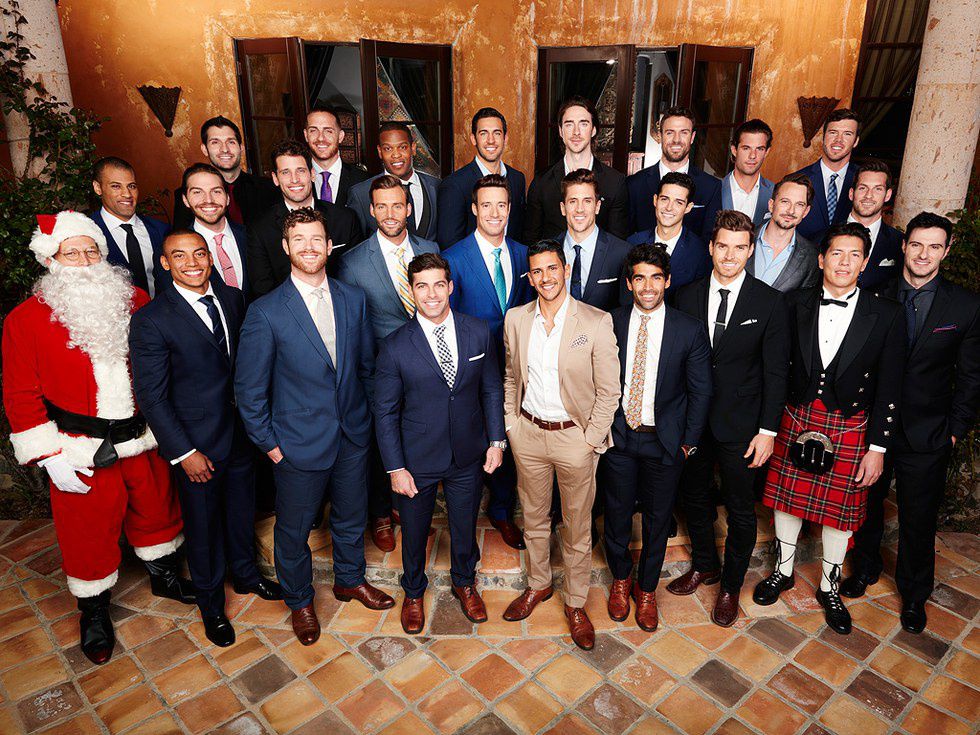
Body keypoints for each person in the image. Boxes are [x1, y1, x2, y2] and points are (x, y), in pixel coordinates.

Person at [3, 212, 192, 666]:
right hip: (79, 446)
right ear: (51, 260)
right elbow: (20, 392)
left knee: (157, 507)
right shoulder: (25, 320)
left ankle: (164, 574)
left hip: (141, 435)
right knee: (86, 531)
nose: (85, 261)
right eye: (72, 253)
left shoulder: (135, 300)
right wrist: (49, 455)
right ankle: (93, 609)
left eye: (92, 251)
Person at [235, 208, 394, 646]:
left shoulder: (353, 298)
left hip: (352, 435)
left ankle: (350, 580)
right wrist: (270, 445)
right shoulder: (266, 312)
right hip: (296, 444)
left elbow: (365, 368)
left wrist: (366, 423)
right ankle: (300, 601)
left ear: (329, 246)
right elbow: (249, 390)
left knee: (350, 516)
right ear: (286, 247)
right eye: (299, 240)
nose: (309, 247)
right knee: (294, 531)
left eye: (316, 239)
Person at [130, 230, 283, 648]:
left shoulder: (233, 299)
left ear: (211, 258)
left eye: (199, 253)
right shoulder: (152, 319)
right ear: (165, 264)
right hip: (196, 445)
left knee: (242, 513)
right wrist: (183, 452)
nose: (192, 263)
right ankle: (212, 605)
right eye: (179, 256)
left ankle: (247, 577)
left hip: (240, 435)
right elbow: (151, 396)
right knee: (203, 528)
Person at [754, 222, 905, 635]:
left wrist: (878, 448)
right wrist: (768, 427)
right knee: (787, 503)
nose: (844, 262)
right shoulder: (793, 303)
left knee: (840, 515)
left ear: (865, 263)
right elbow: (776, 369)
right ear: (821, 259)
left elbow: (890, 385)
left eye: (854, 255)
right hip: (798, 416)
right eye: (837, 253)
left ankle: (829, 586)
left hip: (849, 424)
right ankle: (783, 571)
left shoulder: (887, 314)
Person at [842, 212, 980, 634]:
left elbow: (971, 376)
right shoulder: (875, 294)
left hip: (929, 432)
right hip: (872, 429)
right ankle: (864, 568)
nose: (924, 254)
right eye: (917, 244)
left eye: (934, 246)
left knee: (918, 519)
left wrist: (954, 430)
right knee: (866, 506)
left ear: (946, 251)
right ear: (904, 246)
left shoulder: (965, 305)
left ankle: (915, 594)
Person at [374, 252, 506, 633]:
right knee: (414, 533)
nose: (431, 294)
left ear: (450, 287)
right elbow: (385, 412)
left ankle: (465, 583)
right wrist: (395, 468)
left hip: (468, 452)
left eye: (438, 285)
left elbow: (491, 388)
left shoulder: (477, 331)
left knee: (464, 526)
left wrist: (496, 440)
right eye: (422, 286)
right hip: (416, 460)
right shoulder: (395, 346)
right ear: (411, 291)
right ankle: (414, 592)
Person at [671, 211, 789, 627]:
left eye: (739, 248)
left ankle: (730, 587)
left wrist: (768, 431)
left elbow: (777, 373)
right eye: (722, 246)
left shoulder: (769, 302)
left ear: (750, 250)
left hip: (742, 426)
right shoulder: (685, 295)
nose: (729, 255)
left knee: (740, 509)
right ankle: (705, 565)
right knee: (694, 498)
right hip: (693, 421)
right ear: (711, 247)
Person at [500, 240, 620, 650]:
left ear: (565, 270)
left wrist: (589, 440)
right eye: (537, 271)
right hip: (529, 434)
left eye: (552, 268)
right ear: (530, 277)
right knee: (533, 518)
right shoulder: (516, 319)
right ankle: (539, 584)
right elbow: (511, 377)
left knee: (576, 525)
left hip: (575, 438)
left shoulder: (595, 321)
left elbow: (609, 391)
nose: (545, 277)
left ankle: (576, 602)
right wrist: (512, 425)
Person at [602, 244, 712, 632]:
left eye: (655, 278)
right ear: (629, 283)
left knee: (657, 519)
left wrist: (688, 443)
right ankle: (620, 579)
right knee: (616, 514)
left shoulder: (688, 328)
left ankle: (646, 589)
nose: (647, 286)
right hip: (619, 437)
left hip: (665, 443)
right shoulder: (610, 322)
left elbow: (701, 391)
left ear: (667, 281)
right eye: (640, 278)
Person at [337, 175, 441, 552]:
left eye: (397, 205)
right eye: (381, 206)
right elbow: (353, 327)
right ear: (371, 210)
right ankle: (381, 513)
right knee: (382, 441)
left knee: (417, 438)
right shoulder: (352, 262)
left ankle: (406, 509)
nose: (390, 213)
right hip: (380, 370)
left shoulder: (430, 248)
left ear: (409, 208)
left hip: (427, 368)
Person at [443, 174, 534, 549]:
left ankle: (501, 510)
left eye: (501, 205)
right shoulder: (453, 257)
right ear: (474, 209)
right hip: (472, 369)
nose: (494, 213)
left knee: (508, 434)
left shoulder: (523, 254)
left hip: (516, 368)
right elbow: (447, 318)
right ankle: (466, 512)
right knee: (473, 437)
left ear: (509, 209)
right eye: (486, 205)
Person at [247, 139, 362, 297]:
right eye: (285, 172)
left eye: (300, 170)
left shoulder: (345, 219)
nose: (294, 179)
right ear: (275, 178)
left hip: (340, 305)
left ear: (312, 174)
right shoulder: (260, 229)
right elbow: (263, 290)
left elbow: (356, 276)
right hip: (287, 310)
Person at [525, 96, 629, 242]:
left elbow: (618, 244)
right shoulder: (541, 183)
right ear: (560, 131)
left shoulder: (615, 183)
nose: (576, 132)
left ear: (593, 130)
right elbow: (531, 242)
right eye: (569, 124)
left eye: (583, 124)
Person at [626, 106, 721, 240]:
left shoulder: (711, 187)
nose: (676, 139)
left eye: (684, 132)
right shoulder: (634, 184)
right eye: (670, 132)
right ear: (660, 136)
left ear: (692, 137)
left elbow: (709, 240)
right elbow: (625, 237)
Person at [437, 108, 527, 247]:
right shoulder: (454, 185)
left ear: (505, 138)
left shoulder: (517, 179)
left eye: (497, 133)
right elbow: (450, 244)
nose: (491, 140)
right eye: (483, 133)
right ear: (474, 139)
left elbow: (518, 233)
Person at [172, 115, 277, 229]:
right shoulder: (189, 196)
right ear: (204, 149)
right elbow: (182, 236)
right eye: (215, 142)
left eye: (231, 142)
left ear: (241, 148)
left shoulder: (269, 188)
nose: (225, 149)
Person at [89, 157, 170, 298]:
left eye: (131, 186)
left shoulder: (161, 230)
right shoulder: (86, 232)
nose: (127, 194)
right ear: (98, 188)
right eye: (116, 186)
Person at [346, 122, 440, 241]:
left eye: (402, 147)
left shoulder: (436, 186)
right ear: (380, 152)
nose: (396, 155)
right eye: (388, 149)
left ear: (413, 148)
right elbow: (358, 245)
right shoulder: (360, 194)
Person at [558, 168, 631, 311]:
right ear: (563, 208)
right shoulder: (549, 251)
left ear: (597, 207)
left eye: (587, 201)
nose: (580, 209)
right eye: (573, 201)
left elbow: (625, 311)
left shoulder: (622, 253)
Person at [627, 172, 709, 289]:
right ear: (655, 200)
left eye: (678, 202)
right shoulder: (633, 243)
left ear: (688, 207)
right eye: (664, 199)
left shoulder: (700, 252)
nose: (669, 208)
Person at [791, 108, 861, 244]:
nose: (838, 140)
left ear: (856, 141)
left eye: (847, 134)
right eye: (833, 132)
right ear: (823, 137)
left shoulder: (862, 181)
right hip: (803, 255)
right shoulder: (796, 179)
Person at [181, 163, 251, 297]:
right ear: (185, 200)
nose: (208, 200)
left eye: (216, 191)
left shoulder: (252, 236)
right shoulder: (173, 251)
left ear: (228, 198)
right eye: (197, 192)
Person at [747, 173, 822, 292]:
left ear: (806, 211)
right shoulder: (744, 237)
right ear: (771, 205)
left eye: (799, 204)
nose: (791, 211)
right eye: (785, 201)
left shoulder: (811, 257)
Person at [847, 159, 903, 289]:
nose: (869, 196)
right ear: (851, 193)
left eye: (878, 189)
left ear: (887, 195)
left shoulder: (899, 243)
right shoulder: (822, 238)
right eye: (863, 188)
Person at [710, 119, 775, 227]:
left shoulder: (775, 193)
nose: (752, 155)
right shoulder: (714, 189)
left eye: (759, 149)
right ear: (734, 150)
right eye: (746, 148)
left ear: (766, 152)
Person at [303, 103, 370, 207]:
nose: (320, 138)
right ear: (306, 135)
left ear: (340, 136)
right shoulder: (295, 180)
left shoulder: (363, 181)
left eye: (328, 131)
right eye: (313, 131)